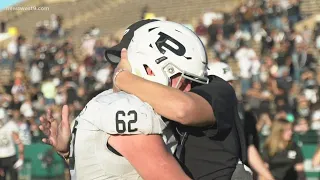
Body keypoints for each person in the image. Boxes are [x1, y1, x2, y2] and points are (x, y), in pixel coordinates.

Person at [40, 19, 209, 180]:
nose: (188, 88)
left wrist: (68, 153)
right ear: (150, 69)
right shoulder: (131, 109)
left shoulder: (106, 100)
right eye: (183, 80)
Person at [109, 45, 248, 179]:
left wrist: (122, 77)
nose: (187, 87)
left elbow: (183, 110)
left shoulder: (216, 88)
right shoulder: (139, 102)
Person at [207, 62, 275, 180]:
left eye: (231, 82)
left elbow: (247, 147)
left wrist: (266, 175)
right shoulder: (204, 110)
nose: (229, 86)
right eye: (225, 83)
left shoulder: (239, 110)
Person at [0, 108, 24, 180]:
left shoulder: (11, 125)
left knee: (14, 177)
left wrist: (21, 158)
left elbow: (19, 143)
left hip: (11, 156)